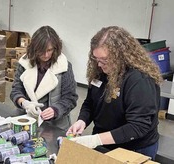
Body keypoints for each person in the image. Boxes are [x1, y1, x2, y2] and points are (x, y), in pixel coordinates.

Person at [66, 26, 162, 159]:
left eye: (104, 60)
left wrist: (95, 140)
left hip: (134, 148)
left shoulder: (139, 79)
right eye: (96, 59)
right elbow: (90, 103)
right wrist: (82, 120)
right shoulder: (100, 71)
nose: (99, 65)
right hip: (105, 143)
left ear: (121, 56)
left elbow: (138, 126)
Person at [10, 26, 78, 130]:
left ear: (55, 48)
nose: (46, 55)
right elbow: (16, 90)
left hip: (55, 125)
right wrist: (24, 103)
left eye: (49, 50)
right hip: (27, 119)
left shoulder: (64, 66)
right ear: (34, 48)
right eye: (41, 51)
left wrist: (56, 110)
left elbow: (70, 98)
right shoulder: (24, 63)